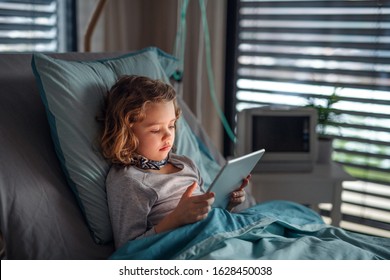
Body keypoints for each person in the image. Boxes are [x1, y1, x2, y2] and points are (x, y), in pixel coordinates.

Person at [101, 75, 249, 249]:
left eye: (171, 126)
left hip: (217, 232)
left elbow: (207, 215)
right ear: (126, 133)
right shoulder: (129, 181)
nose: (168, 135)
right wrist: (175, 219)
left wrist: (228, 204)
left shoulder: (186, 163)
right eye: (156, 130)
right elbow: (128, 249)